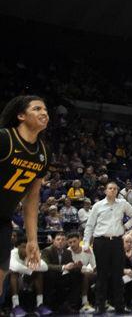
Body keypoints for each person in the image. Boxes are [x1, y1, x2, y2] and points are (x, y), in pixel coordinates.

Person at [0, 96, 51, 300]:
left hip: (3, 219)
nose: (44, 113)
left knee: (2, 271)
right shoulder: (5, 138)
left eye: (45, 109)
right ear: (21, 116)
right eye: (37, 108)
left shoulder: (43, 153)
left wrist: (32, 240)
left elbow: (32, 199)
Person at [83, 182, 132, 315]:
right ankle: (99, 306)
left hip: (116, 242)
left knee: (117, 274)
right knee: (101, 275)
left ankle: (119, 305)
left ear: (117, 191)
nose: (113, 190)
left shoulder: (122, 204)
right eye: (110, 188)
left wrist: (125, 226)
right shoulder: (97, 206)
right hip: (100, 242)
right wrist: (86, 243)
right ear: (106, 191)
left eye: (115, 189)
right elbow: (90, 225)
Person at [41, 231, 80, 313]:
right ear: (54, 241)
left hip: (62, 275)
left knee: (77, 275)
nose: (60, 242)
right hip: (50, 275)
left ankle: (70, 304)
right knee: (50, 276)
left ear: (66, 242)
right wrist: (63, 267)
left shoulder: (68, 252)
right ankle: (49, 305)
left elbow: (70, 264)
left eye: (63, 240)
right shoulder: (47, 251)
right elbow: (47, 266)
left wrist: (75, 266)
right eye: (58, 239)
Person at [67, 232, 96, 313]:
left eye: (74, 241)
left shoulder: (87, 249)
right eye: (70, 242)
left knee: (103, 274)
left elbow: (95, 266)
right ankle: (85, 303)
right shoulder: (68, 252)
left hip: (87, 272)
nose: (72, 244)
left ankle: (104, 302)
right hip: (73, 275)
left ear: (79, 240)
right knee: (84, 274)